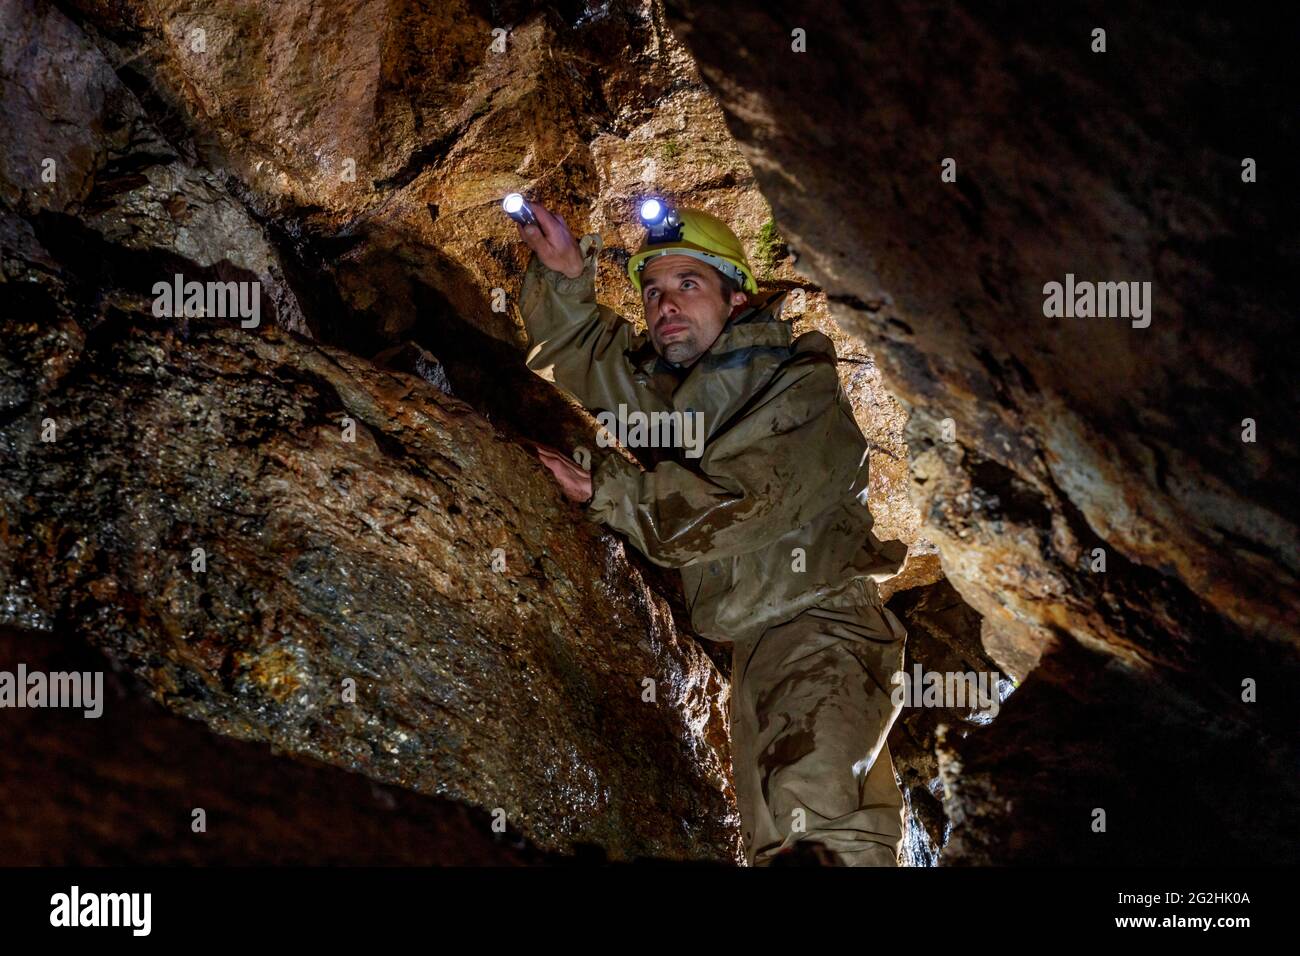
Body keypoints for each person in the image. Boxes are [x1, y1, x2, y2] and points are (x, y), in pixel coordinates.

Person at [515, 200, 910, 866]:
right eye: (653, 292)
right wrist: (563, 277)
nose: (664, 304)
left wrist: (609, 491)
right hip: (754, 651)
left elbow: (736, 505)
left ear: (739, 296)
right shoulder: (683, 402)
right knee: (776, 846)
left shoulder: (798, 389)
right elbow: (588, 357)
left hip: (823, 631)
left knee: (820, 828)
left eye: (687, 285)